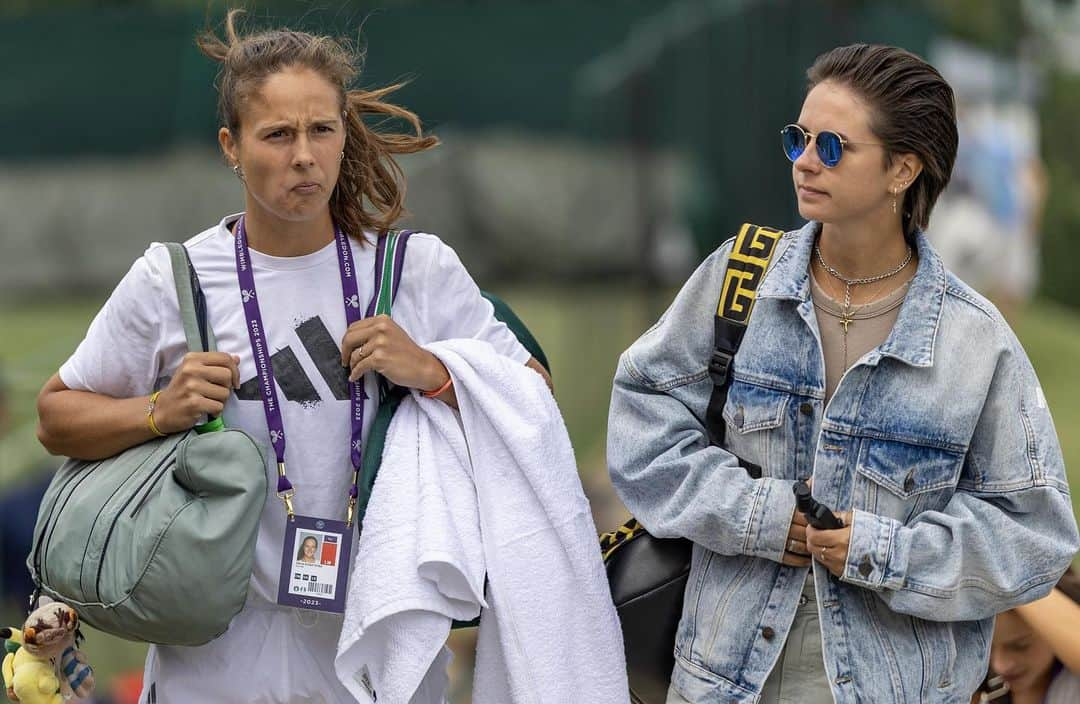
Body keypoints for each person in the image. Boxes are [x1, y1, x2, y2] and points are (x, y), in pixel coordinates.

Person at [35, 10, 549, 702]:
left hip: (377, 647)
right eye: (277, 134)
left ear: (343, 135)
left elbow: (532, 397)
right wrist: (158, 410)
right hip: (214, 657)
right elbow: (56, 416)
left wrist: (432, 370)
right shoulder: (176, 278)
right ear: (231, 146)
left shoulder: (411, 269)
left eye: (321, 130)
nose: (304, 155)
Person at [607, 44, 1078, 704]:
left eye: (832, 147)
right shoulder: (738, 280)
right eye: (797, 138)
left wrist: (887, 552)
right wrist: (759, 516)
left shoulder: (976, 342)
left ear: (901, 169)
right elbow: (643, 433)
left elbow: (1035, 535)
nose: (804, 160)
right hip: (721, 685)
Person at [973, 569, 1080, 704]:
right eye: (987, 650)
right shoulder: (979, 688)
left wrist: (1009, 575)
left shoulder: (1071, 685)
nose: (1000, 665)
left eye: (1020, 646)